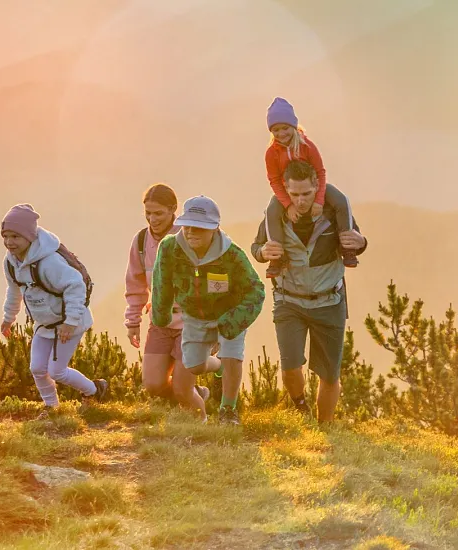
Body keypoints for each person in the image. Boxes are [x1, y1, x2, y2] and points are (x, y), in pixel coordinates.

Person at [250, 160, 368, 424]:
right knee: (290, 366)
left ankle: (325, 427)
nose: (300, 201)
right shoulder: (276, 215)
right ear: (285, 190)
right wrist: (262, 252)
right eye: (294, 194)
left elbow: (355, 241)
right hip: (288, 301)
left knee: (329, 374)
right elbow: (257, 246)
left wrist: (362, 243)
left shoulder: (334, 212)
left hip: (330, 301)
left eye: (306, 193)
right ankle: (301, 407)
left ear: (317, 186)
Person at [150, 195, 265, 425]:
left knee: (233, 355)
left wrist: (232, 322)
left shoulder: (232, 255)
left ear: (215, 228)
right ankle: (218, 364)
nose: (192, 232)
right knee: (194, 366)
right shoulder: (170, 248)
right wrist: (160, 315)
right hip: (193, 317)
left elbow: (256, 290)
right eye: (188, 226)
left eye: (199, 228)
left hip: (229, 314)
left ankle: (228, 410)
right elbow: (162, 282)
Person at [0, 204, 110, 418]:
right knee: (37, 368)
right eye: (5, 236)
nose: (9, 242)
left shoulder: (49, 262)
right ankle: (51, 407)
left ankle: (95, 390)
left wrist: (70, 321)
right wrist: (8, 317)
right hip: (44, 323)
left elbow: (75, 285)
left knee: (57, 371)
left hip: (69, 323)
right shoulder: (11, 263)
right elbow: (14, 290)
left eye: (15, 236)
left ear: (29, 236)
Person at [123, 183, 210, 415]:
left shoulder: (189, 237)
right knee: (153, 385)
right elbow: (135, 284)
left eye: (159, 213)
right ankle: (194, 396)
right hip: (160, 321)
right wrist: (133, 321)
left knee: (182, 388)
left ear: (173, 210)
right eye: (148, 213)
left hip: (191, 323)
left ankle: (202, 422)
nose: (152, 219)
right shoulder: (141, 241)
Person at [262, 96, 358, 279]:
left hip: (314, 187)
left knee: (341, 200)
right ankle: (276, 258)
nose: (281, 133)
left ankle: (348, 247)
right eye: (276, 129)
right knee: (272, 211)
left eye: (285, 128)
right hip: (287, 192)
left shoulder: (307, 146)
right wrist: (287, 204)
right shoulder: (271, 153)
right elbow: (274, 180)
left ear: (293, 126)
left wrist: (319, 200)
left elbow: (320, 172)